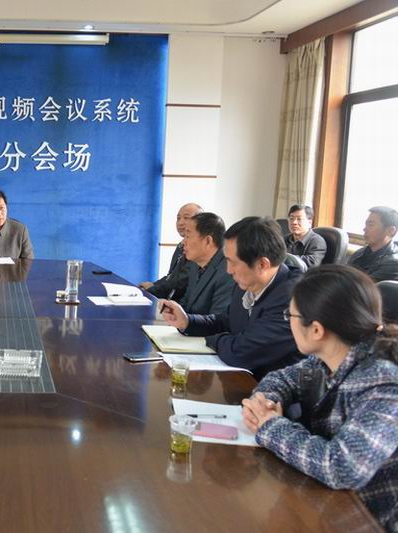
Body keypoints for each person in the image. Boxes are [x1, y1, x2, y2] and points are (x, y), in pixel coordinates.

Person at [242, 265, 398, 531]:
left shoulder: (384, 384)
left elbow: (342, 468)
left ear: (316, 330)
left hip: (365, 518)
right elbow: (282, 378)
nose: (288, 321)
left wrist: (271, 426)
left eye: (290, 314)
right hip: (324, 499)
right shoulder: (335, 354)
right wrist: (265, 402)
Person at [161, 216, 303, 378]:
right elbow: (225, 321)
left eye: (233, 262)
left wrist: (214, 340)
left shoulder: (294, 298)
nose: (228, 270)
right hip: (244, 381)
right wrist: (187, 321)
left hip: (274, 389)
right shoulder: (248, 283)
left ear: (262, 264)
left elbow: (241, 353)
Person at [176, 212, 234, 315]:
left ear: (208, 241)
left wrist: (186, 320)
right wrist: (172, 310)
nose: (183, 242)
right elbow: (186, 303)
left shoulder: (228, 271)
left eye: (187, 236)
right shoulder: (195, 265)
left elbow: (218, 319)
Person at [140, 203, 202, 299]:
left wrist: (152, 289)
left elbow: (181, 282)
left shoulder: (198, 249)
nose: (180, 222)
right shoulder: (181, 245)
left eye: (186, 218)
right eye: (178, 218)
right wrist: (154, 285)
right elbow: (171, 276)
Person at [348, 206, 398, 283]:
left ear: (391, 231)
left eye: (371, 225)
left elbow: (363, 287)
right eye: (366, 224)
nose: (364, 229)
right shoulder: (359, 253)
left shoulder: (393, 263)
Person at [284, 204, 327, 268]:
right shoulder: (285, 239)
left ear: (309, 223)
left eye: (299, 219)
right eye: (291, 218)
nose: (294, 222)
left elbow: (311, 263)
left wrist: (282, 258)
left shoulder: (317, 241)